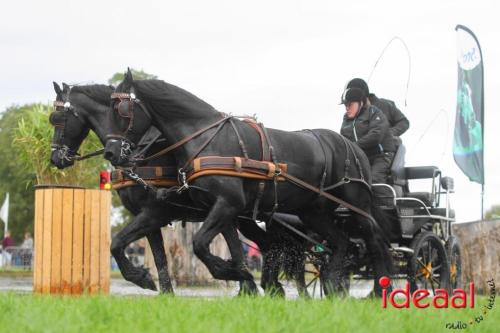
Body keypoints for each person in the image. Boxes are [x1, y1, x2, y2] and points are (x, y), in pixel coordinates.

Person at [340, 87, 395, 184]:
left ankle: (383, 199)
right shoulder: (346, 119)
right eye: (345, 105)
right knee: (344, 181)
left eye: (350, 105)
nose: (347, 108)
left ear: (361, 103)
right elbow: (343, 139)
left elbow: (376, 135)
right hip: (360, 158)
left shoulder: (374, 112)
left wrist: (354, 146)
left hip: (380, 156)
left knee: (374, 180)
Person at [345, 78, 409, 146]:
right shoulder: (353, 112)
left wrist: (388, 134)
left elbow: (403, 122)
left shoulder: (385, 105)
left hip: (388, 150)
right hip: (362, 150)